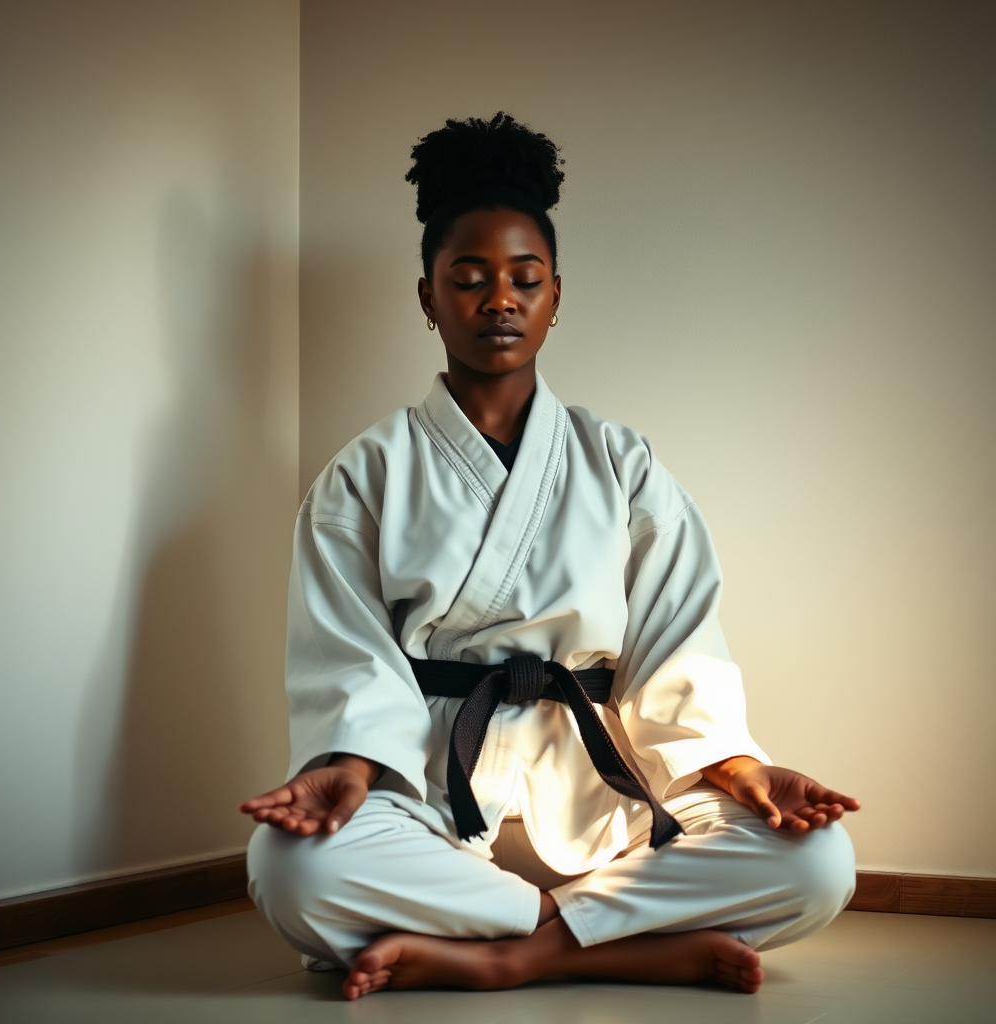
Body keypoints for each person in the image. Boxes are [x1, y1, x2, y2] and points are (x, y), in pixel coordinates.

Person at [241, 112, 859, 1001]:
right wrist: (344, 765)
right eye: (470, 279)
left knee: (820, 864)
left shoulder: (624, 465)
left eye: (524, 279)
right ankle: (612, 939)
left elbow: (680, 648)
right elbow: (348, 658)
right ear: (427, 299)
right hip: (426, 785)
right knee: (288, 870)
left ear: (556, 296)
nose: (500, 299)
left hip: (604, 790)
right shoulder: (366, 474)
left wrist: (740, 767)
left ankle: (513, 952)